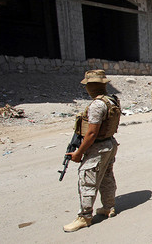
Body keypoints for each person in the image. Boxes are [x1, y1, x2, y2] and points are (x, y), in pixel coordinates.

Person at [63, 70, 121, 232]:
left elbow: (91, 133)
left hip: (98, 147)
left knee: (88, 179)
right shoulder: (112, 100)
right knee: (106, 176)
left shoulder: (97, 105)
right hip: (109, 144)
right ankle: (109, 207)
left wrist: (79, 153)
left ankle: (85, 216)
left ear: (91, 86)